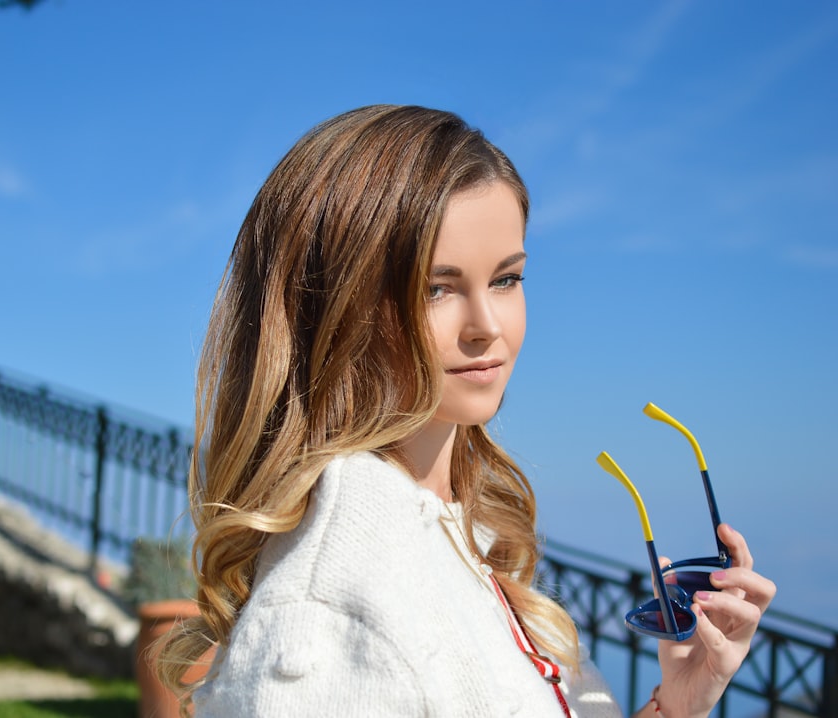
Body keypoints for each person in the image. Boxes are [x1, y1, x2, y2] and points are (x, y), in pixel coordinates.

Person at [157, 105, 776, 717]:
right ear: (334, 310)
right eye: (436, 288)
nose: (487, 327)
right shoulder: (331, 622)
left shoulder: (458, 540)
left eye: (506, 279)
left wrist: (677, 703)